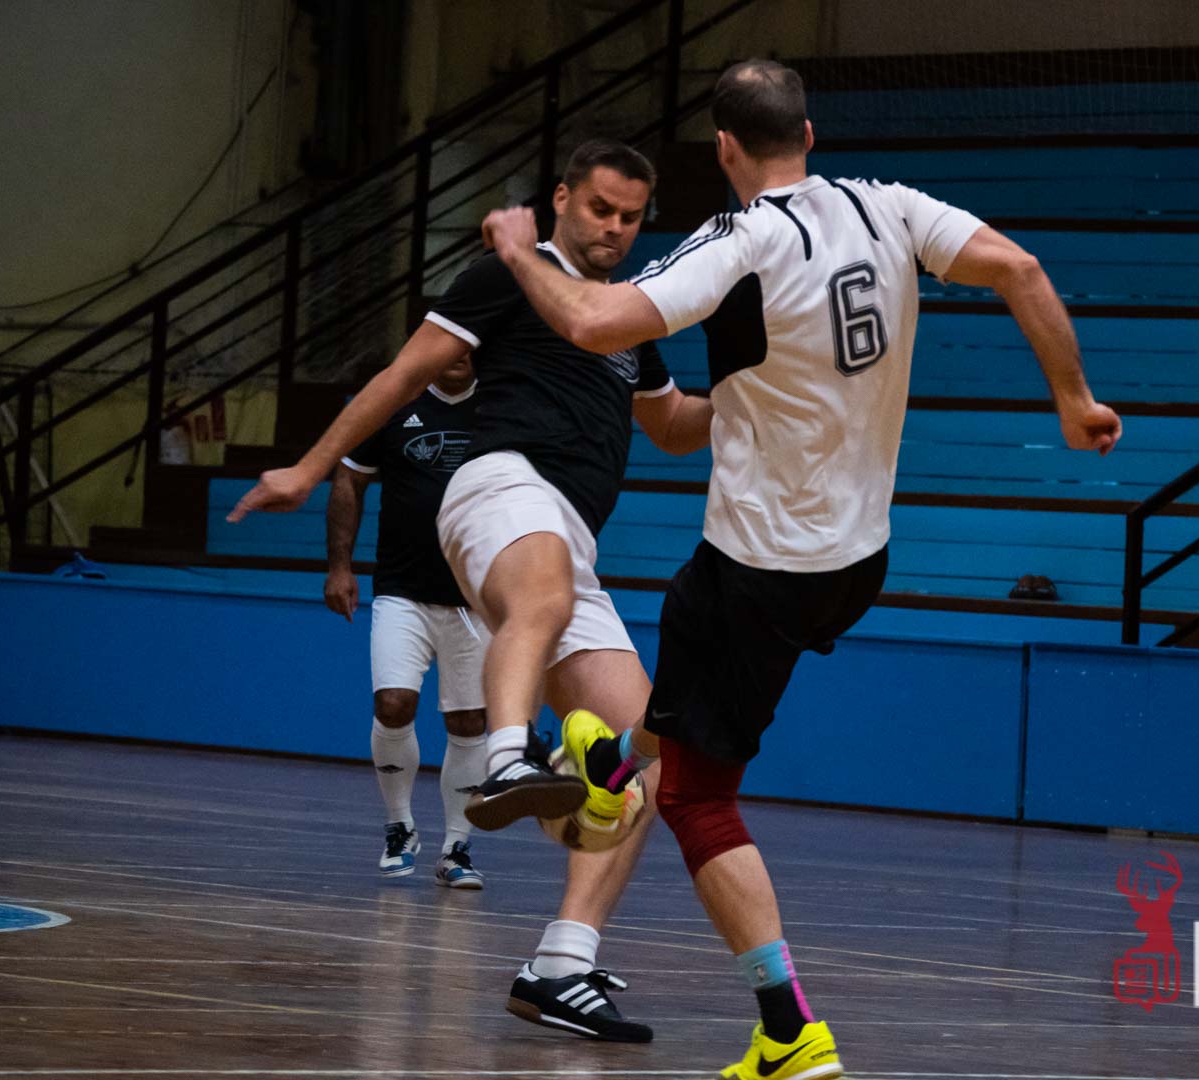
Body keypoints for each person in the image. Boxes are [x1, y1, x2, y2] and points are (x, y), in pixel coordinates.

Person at [478, 60, 1123, 1080]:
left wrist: (520, 250)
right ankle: (604, 770)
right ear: (809, 135)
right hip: (856, 560)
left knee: (698, 800)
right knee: (682, 703)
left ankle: (789, 1031)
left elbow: (593, 323)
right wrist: (1073, 401)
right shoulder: (890, 207)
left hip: (758, 566)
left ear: (725, 148)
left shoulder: (739, 240)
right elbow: (1022, 269)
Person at [229, 138, 713, 1042]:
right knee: (543, 598)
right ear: (562, 199)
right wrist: (309, 467)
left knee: (652, 758)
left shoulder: (625, 319)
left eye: (631, 217)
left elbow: (677, 427)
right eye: (600, 208)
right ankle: (506, 757)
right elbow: (401, 375)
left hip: (570, 543)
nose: (614, 228)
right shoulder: (506, 275)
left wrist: (757, 396)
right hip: (498, 488)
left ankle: (559, 966)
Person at [323, 352, 488, 887]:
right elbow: (348, 478)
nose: (459, 355)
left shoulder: (502, 408)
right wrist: (339, 567)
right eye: (450, 344)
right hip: (401, 592)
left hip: (477, 598)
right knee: (392, 704)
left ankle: (458, 848)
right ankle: (400, 827)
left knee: (469, 721)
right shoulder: (394, 402)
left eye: (470, 345)